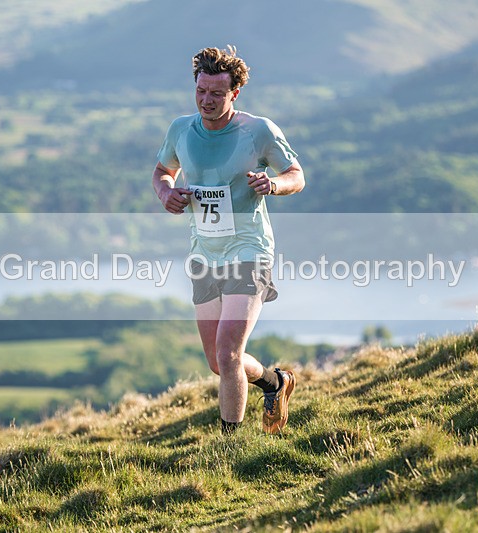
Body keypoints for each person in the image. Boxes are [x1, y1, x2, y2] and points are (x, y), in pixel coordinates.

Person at [152, 46, 305, 435]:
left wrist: (272, 184)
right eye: (201, 91)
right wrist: (166, 192)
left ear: (234, 94)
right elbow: (162, 170)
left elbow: (296, 175)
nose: (207, 100)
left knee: (229, 350)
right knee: (219, 363)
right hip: (204, 252)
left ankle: (230, 447)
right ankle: (275, 383)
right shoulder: (180, 130)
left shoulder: (259, 131)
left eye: (217, 94)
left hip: (249, 250)